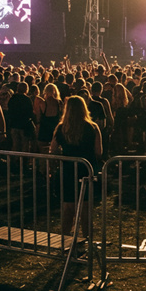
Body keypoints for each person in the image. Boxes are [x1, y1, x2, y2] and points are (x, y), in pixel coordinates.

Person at [50, 95, 102, 241]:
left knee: (68, 208)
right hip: (86, 170)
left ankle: (65, 240)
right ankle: (87, 240)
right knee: (85, 209)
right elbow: (99, 151)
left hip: (67, 170)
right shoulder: (92, 127)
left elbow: (52, 149)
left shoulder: (61, 128)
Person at [36, 83, 63, 154]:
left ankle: (43, 165)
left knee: (43, 152)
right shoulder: (59, 103)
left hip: (44, 130)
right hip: (55, 129)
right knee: (55, 151)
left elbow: (38, 118)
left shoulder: (42, 103)